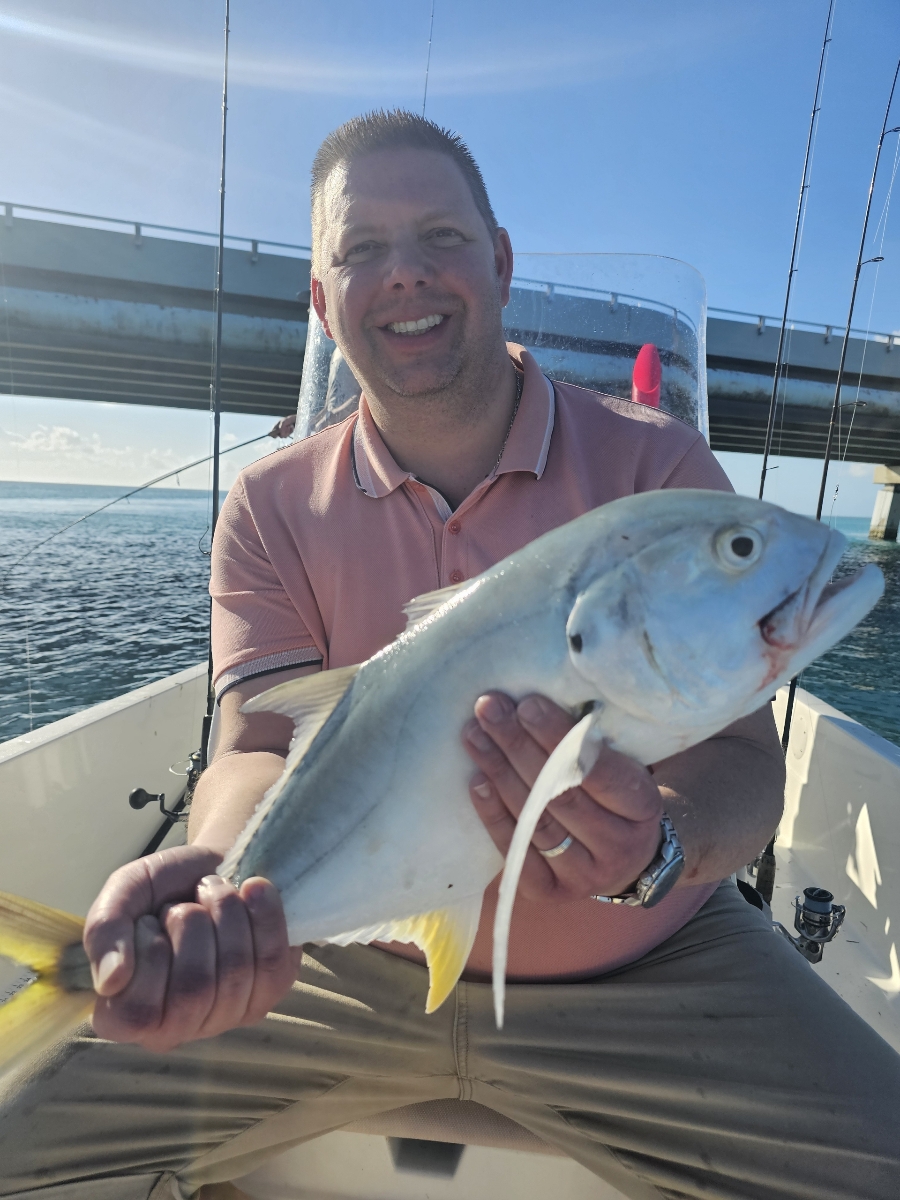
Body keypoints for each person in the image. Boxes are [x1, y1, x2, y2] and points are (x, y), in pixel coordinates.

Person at [2, 110, 898, 1200]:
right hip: (336, 967)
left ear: (501, 263)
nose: (405, 273)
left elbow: (748, 766)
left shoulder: (655, 466)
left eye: (441, 235)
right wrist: (226, 893)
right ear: (323, 302)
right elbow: (256, 746)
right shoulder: (270, 504)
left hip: (649, 967)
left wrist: (657, 848)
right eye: (362, 249)